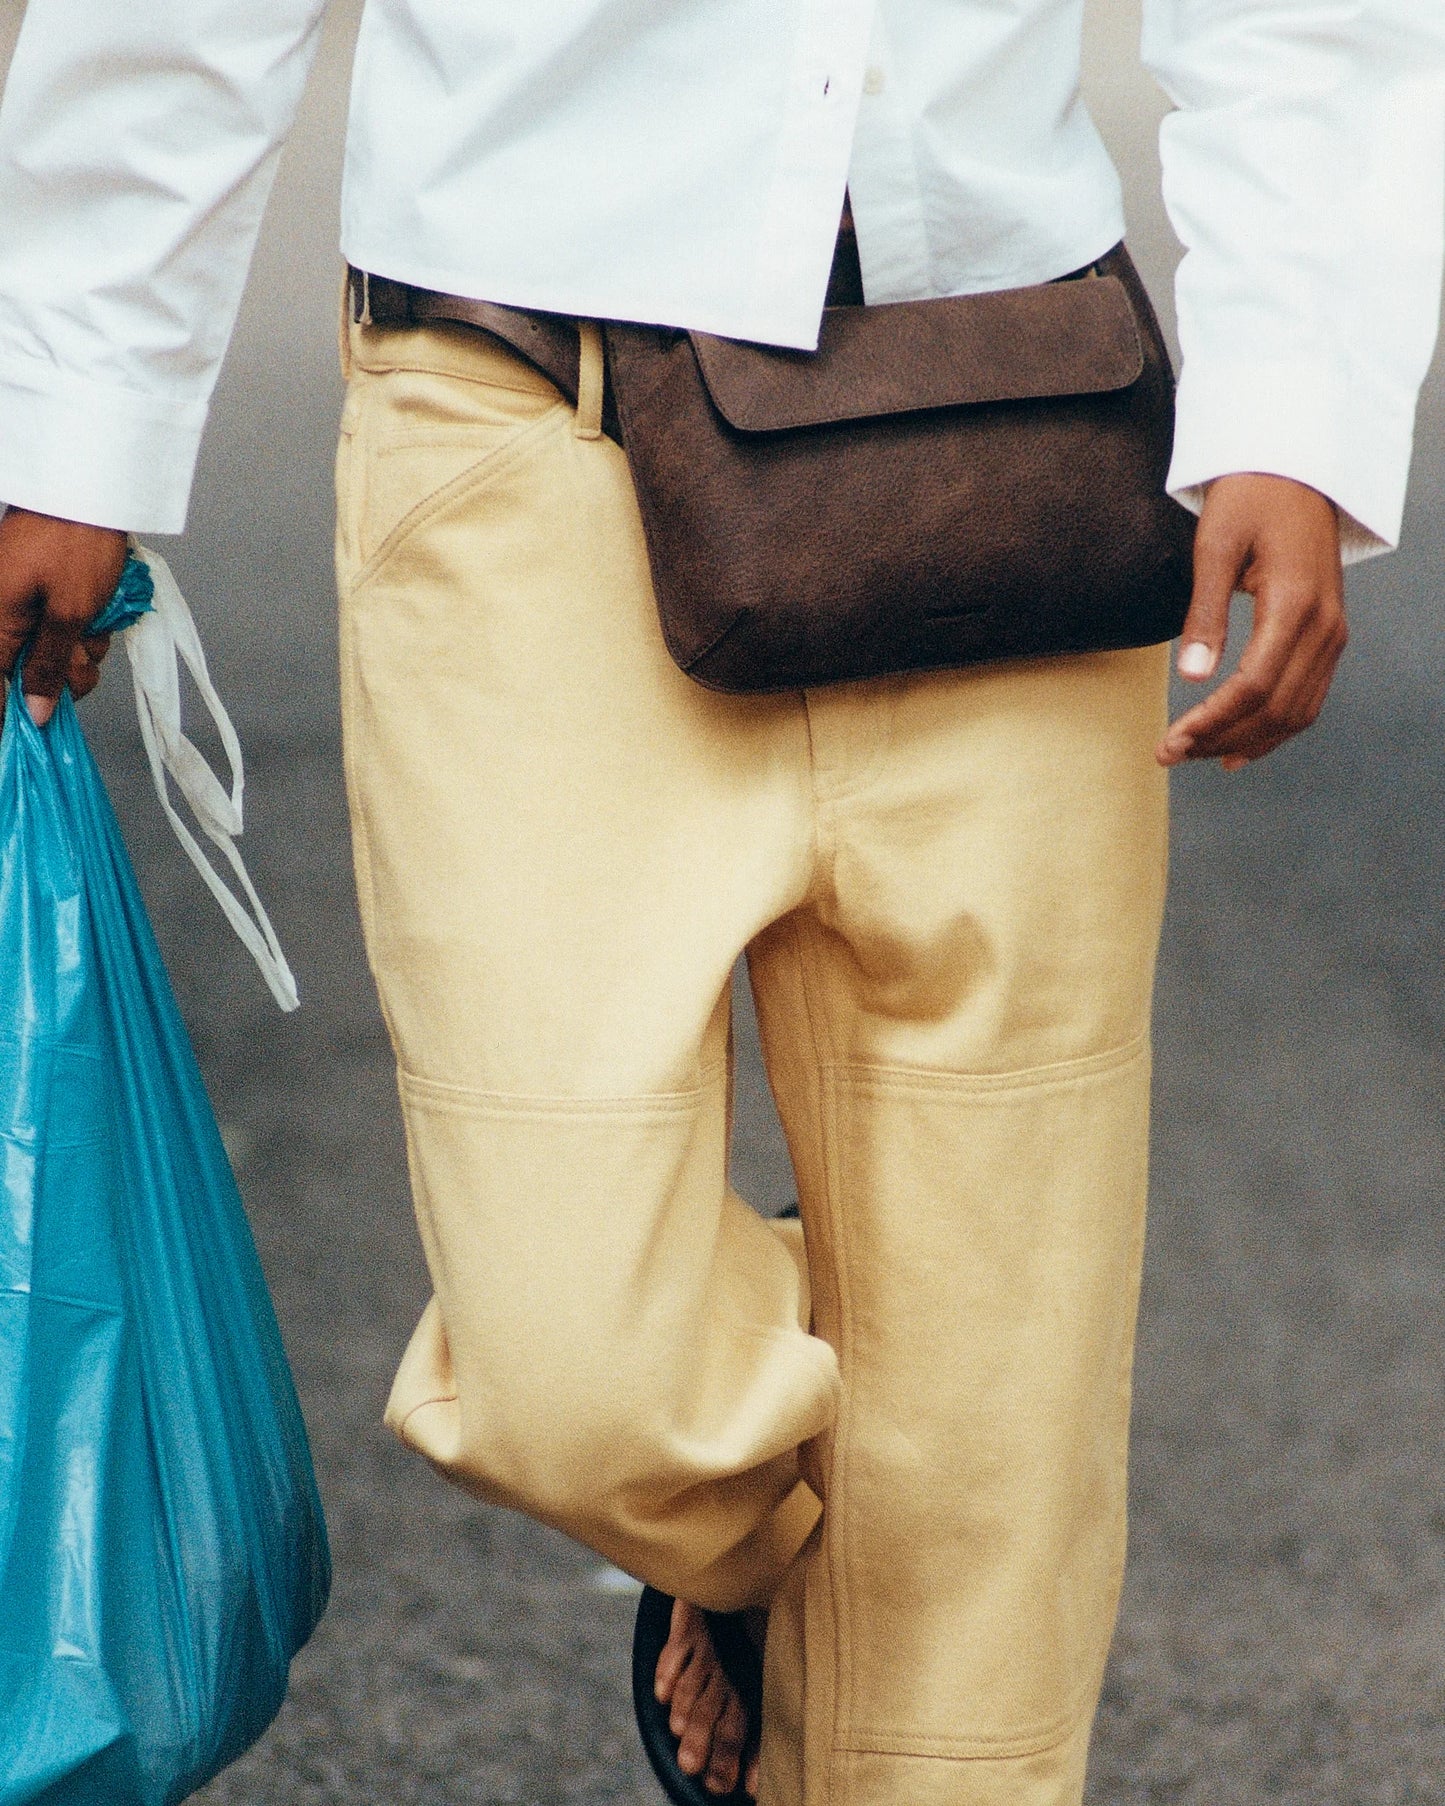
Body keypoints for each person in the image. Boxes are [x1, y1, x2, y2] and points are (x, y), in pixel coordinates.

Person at [0, 3, 1440, 1802]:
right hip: (524, 419)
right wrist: (72, 415)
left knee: (979, 1547)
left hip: (1010, 425)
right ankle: (814, 1457)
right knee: (578, 1372)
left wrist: (1292, 405)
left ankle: (914, 1438)